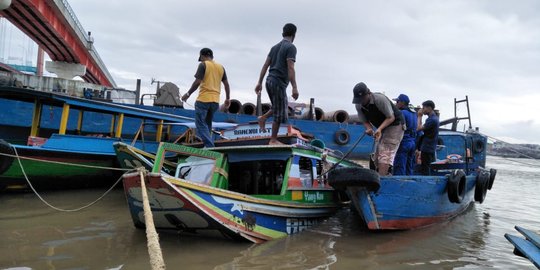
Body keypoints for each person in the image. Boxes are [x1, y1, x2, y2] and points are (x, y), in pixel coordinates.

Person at [254, 23, 299, 145]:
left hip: (269, 81)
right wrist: (294, 87)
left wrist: (259, 82)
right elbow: (290, 67)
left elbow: (265, 65)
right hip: (278, 82)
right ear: (294, 35)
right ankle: (273, 140)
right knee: (280, 112)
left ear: (282, 33)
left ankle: (263, 118)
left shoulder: (274, 47)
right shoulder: (291, 47)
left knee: (279, 106)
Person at [181, 48, 230, 147]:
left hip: (203, 100)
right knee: (208, 124)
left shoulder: (203, 65)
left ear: (202, 56)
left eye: (201, 58)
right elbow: (226, 84)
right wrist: (228, 98)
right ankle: (207, 146)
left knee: (200, 125)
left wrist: (187, 94)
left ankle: (210, 147)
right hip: (215, 102)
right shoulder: (221, 67)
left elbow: (197, 82)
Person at [352, 82, 404, 175]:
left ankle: (382, 179)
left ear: (368, 93)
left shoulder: (380, 99)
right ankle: (379, 176)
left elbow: (391, 117)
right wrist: (369, 129)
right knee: (377, 154)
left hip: (395, 124)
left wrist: (379, 129)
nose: (361, 101)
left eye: (362, 98)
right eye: (359, 99)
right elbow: (365, 121)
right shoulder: (358, 105)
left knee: (385, 151)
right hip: (383, 126)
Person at [392, 94, 417, 175]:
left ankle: (399, 185)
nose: (396, 103)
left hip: (404, 142)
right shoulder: (414, 114)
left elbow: (397, 128)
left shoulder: (402, 113)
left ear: (402, 102)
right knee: (409, 166)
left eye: (397, 101)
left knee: (399, 166)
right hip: (413, 143)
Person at [416, 100, 439, 175]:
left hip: (427, 147)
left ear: (429, 108)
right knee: (427, 166)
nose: (422, 109)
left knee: (425, 167)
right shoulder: (433, 118)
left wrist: (419, 116)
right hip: (430, 146)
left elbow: (418, 128)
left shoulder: (432, 120)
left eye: (424, 108)